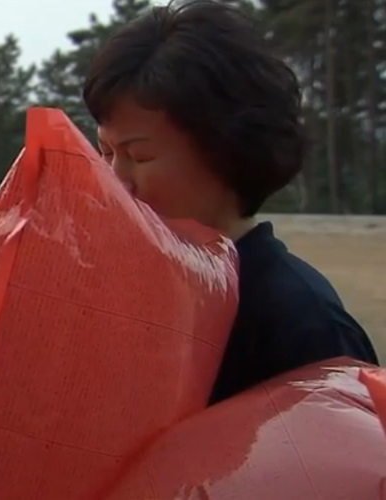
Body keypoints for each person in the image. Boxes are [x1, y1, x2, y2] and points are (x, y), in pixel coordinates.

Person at [82, 0, 378, 404]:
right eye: (106, 153)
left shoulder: (304, 324)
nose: (116, 181)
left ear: (224, 151)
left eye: (140, 156)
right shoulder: (132, 298)